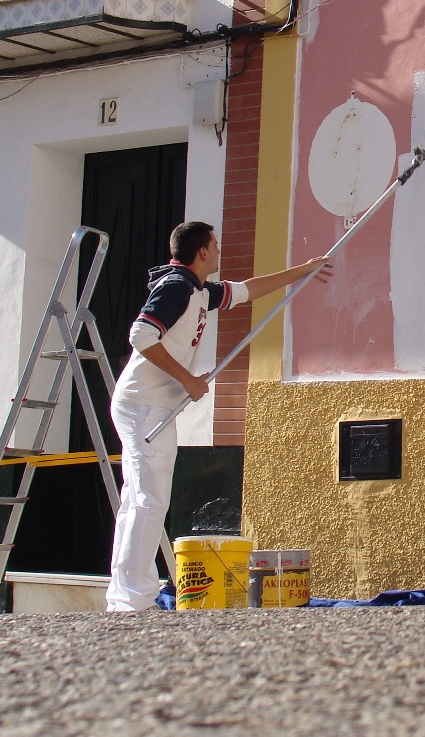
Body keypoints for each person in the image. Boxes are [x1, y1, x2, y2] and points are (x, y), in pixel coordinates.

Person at [105, 221, 331, 612]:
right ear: (203, 252)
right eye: (216, 245)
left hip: (150, 405)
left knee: (139, 499)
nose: (220, 251)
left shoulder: (198, 290)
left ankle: (126, 593)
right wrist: (187, 379)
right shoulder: (176, 287)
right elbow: (140, 335)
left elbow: (247, 290)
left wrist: (303, 270)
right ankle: (131, 599)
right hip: (144, 405)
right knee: (148, 499)